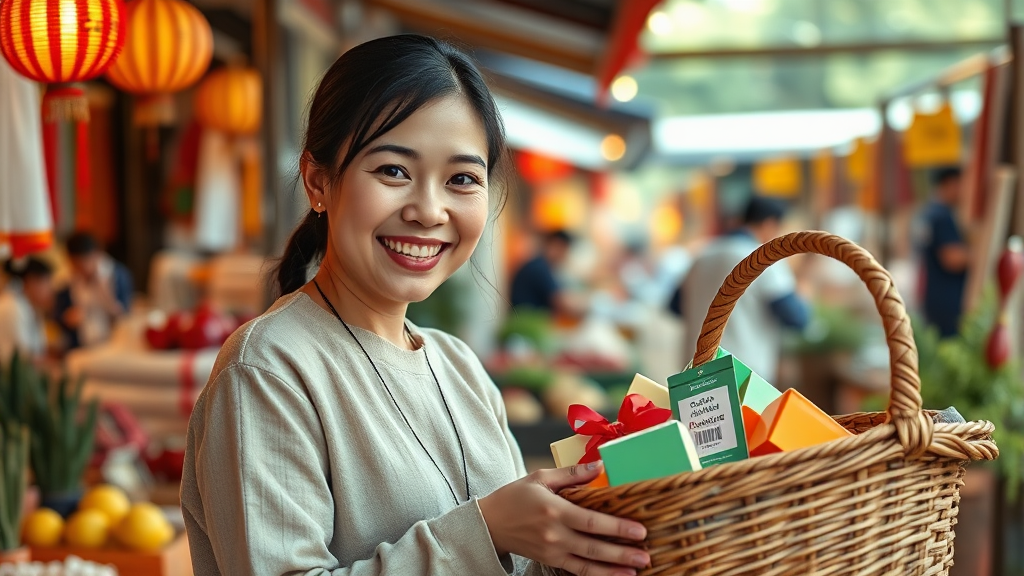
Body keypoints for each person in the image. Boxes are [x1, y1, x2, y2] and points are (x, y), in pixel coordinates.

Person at [181, 35, 649, 576]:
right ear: (318, 182)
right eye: (394, 171)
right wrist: (488, 530)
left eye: (462, 180)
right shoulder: (268, 368)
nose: (430, 211)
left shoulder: (459, 367)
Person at [680, 196, 810, 380]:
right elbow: (797, 318)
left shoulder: (701, 256)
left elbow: (675, 306)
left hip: (694, 370)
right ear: (769, 224)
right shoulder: (764, 258)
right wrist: (804, 290)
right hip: (744, 376)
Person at [54, 231, 133, 349]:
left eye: (84, 262)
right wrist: (67, 318)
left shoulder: (117, 275)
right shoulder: (66, 280)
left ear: (97, 254)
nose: (81, 270)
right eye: (76, 265)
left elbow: (125, 312)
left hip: (113, 342)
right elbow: (58, 314)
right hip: (80, 345)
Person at [916, 167, 969, 338]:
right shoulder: (942, 217)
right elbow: (952, 259)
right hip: (947, 298)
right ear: (950, 183)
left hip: (934, 295)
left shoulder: (928, 213)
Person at [509, 229, 579, 315]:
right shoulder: (539, 268)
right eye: (563, 250)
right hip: (526, 321)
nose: (564, 256)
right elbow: (561, 302)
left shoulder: (540, 264)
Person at [0, 257, 55, 363]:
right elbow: (22, 358)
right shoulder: (11, 307)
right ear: (31, 282)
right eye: (47, 282)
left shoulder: (29, 306)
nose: (50, 289)